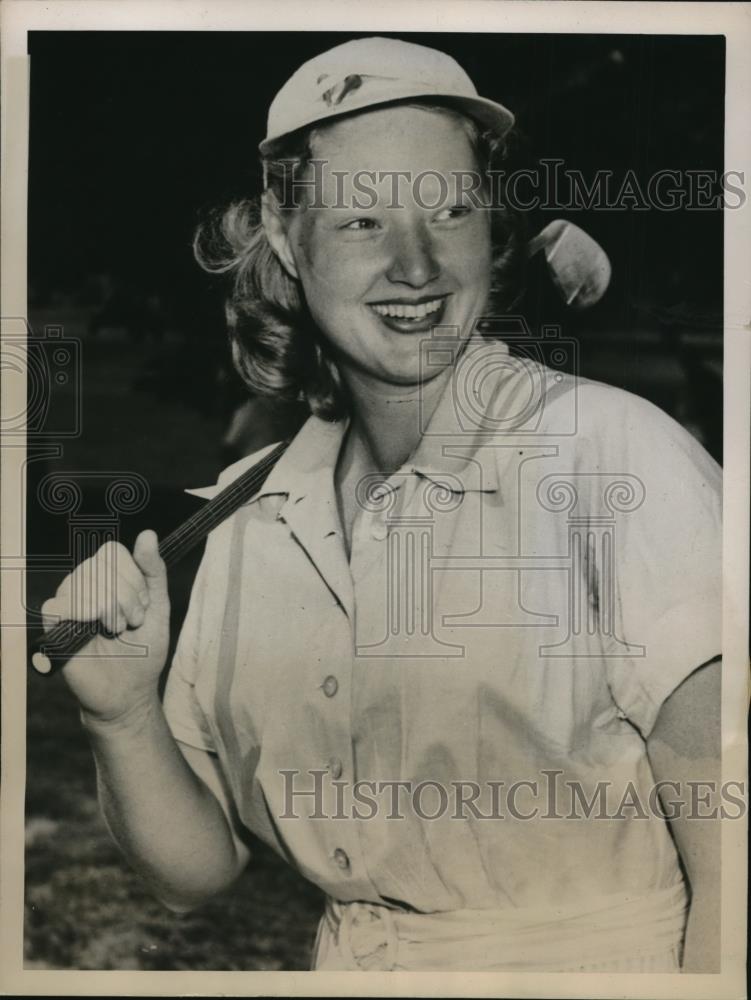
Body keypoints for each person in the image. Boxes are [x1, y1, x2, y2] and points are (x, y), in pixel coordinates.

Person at [41, 37, 722, 972]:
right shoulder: (254, 512)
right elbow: (196, 871)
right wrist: (120, 716)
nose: (416, 266)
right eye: (361, 222)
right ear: (286, 237)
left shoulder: (612, 458)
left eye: (449, 212)